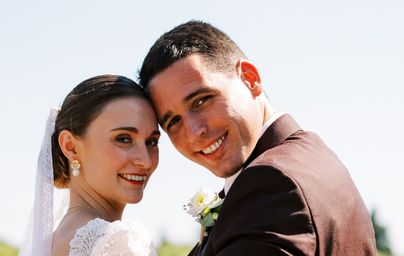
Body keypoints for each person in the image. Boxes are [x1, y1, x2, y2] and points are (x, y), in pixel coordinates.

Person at [139, 21, 376, 256]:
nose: (193, 131)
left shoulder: (272, 183)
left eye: (201, 100)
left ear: (250, 78)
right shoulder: (309, 158)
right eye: (173, 122)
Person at [20, 75, 160, 256]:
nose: (146, 160)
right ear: (71, 147)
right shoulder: (117, 241)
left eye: (152, 142)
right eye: (123, 139)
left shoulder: (55, 241)